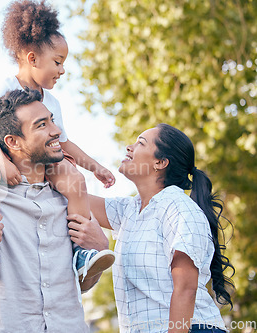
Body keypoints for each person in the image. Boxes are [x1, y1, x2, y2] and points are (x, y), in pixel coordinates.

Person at [0, 88, 110, 332]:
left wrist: (97, 247)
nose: (56, 131)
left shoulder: (70, 193)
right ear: (13, 142)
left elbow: (84, 283)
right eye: (41, 125)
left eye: (52, 121)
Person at [0, 0, 115, 282]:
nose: (61, 70)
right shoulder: (5, 88)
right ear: (32, 58)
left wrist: (95, 167)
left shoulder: (53, 102)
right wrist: (1, 162)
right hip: (7, 157)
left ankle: (81, 251)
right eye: (57, 62)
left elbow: (66, 143)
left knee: (75, 180)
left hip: (41, 163)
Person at [82, 123, 234, 332]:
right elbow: (71, 195)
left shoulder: (179, 209)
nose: (129, 147)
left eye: (140, 143)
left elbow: (186, 289)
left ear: (160, 162)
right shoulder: (129, 210)